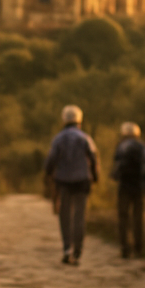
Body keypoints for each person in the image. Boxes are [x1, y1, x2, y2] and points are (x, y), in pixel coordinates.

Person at [44, 105, 98, 265]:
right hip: (82, 181)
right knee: (79, 216)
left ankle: (67, 248)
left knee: (65, 216)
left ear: (64, 120)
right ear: (79, 120)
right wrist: (95, 177)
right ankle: (78, 251)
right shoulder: (85, 138)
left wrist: (48, 175)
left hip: (63, 181)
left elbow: (51, 160)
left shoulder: (59, 138)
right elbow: (94, 158)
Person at [112, 121, 145, 259]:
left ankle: (125, 247)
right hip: (139, 187)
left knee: (123, 217)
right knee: (138, 218)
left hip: (124, 186)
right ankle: (139, 248)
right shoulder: (142, 147)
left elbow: (116, 168)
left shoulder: (121, 147)